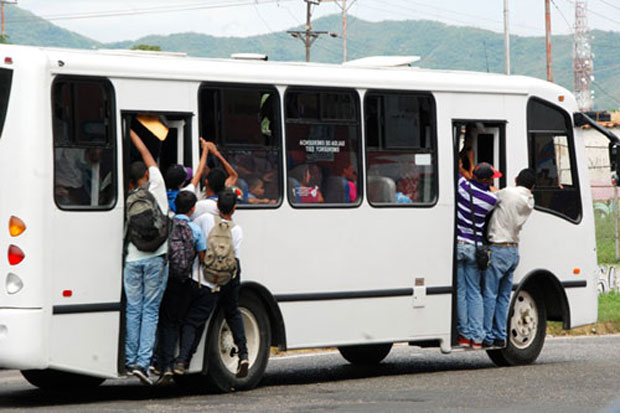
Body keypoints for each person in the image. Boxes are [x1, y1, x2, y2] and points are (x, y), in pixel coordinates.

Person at [174, 189, 249, 378]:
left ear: (217, 206)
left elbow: (194, 237)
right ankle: (244, 355)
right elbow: (236, 259)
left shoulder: (206, 219)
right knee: (232, 313)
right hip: (223, 281)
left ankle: (182, 360)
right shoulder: (237, 230)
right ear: (233, 209)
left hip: (200, 279)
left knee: (192, 321)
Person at [124, 128, 170, 385]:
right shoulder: (157, 186)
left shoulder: (127, 195)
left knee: (134, 308)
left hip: (132, 259)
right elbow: (147, 155)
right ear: (146, 175)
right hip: (157, 257)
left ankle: (131, 360)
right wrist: (132, 132)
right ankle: (143, 362)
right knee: (150, 310)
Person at [154, 191, 207, 382]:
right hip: (184, 281)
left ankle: (163, 363)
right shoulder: (195, 229)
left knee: (165, 321)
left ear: (174, 205)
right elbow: (202, 256)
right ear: (193, 208)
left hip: (165, 279)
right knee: (177, 321)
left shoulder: (167, 225)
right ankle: (177, 362)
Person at [482, 168, 536, 348]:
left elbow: (491, 193)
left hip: (498, 248)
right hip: (513, 251)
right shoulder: (530, 200)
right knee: (504, 296)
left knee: (490, 294)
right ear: (533, 186)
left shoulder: (507, 193)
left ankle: (487, 336)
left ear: (515, 179)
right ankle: (500, 335)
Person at [456, 162, 500, 349]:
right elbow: (497, 191)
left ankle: (464, 335)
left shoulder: (463, 188)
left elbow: (457, 172)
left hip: (458, 245)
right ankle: (477, 337)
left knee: (461, 291)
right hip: (475, 248)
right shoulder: (491, 200)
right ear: (488, 179)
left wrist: (465, 162)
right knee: (475, 292)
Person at [165, 138, 209, 213]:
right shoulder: (185, 194)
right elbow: (199, 172)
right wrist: (205, 150)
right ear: (182, 183)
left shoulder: (161, 194)